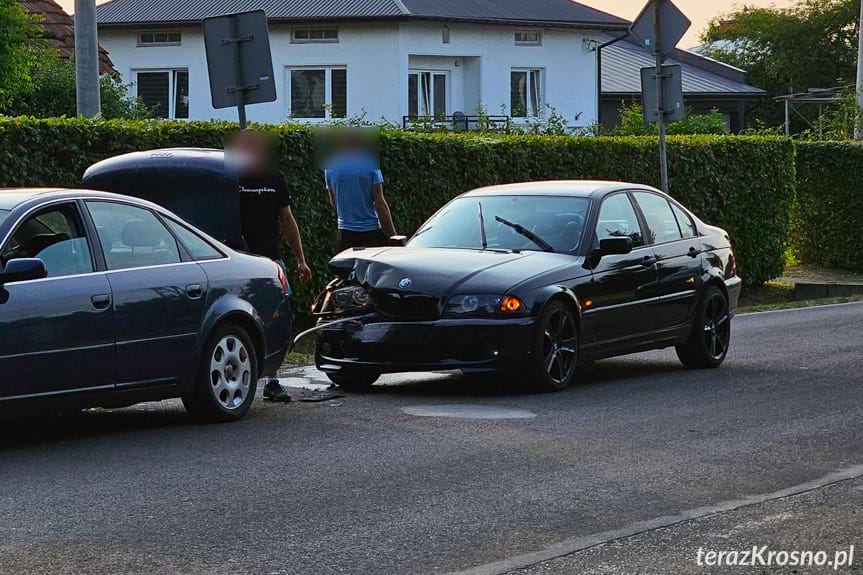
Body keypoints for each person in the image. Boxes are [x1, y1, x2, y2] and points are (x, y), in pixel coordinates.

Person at [227, 129, 312, 402]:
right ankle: (239, 376)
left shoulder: (275, 179)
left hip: (270, 260)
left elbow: (287, 220)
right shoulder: (229, 178)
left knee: (277, 315)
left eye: (255, 145)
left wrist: (300, 260)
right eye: (245, 145)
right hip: (236, 260)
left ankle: (273, 380)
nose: (251, 150)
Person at [324, 132, 397, 250]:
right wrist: (393, 235)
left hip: (345, 233)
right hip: (370, 232)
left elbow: (334, 202)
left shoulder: (330, 168)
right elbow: (380, 204)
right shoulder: (370, 165)